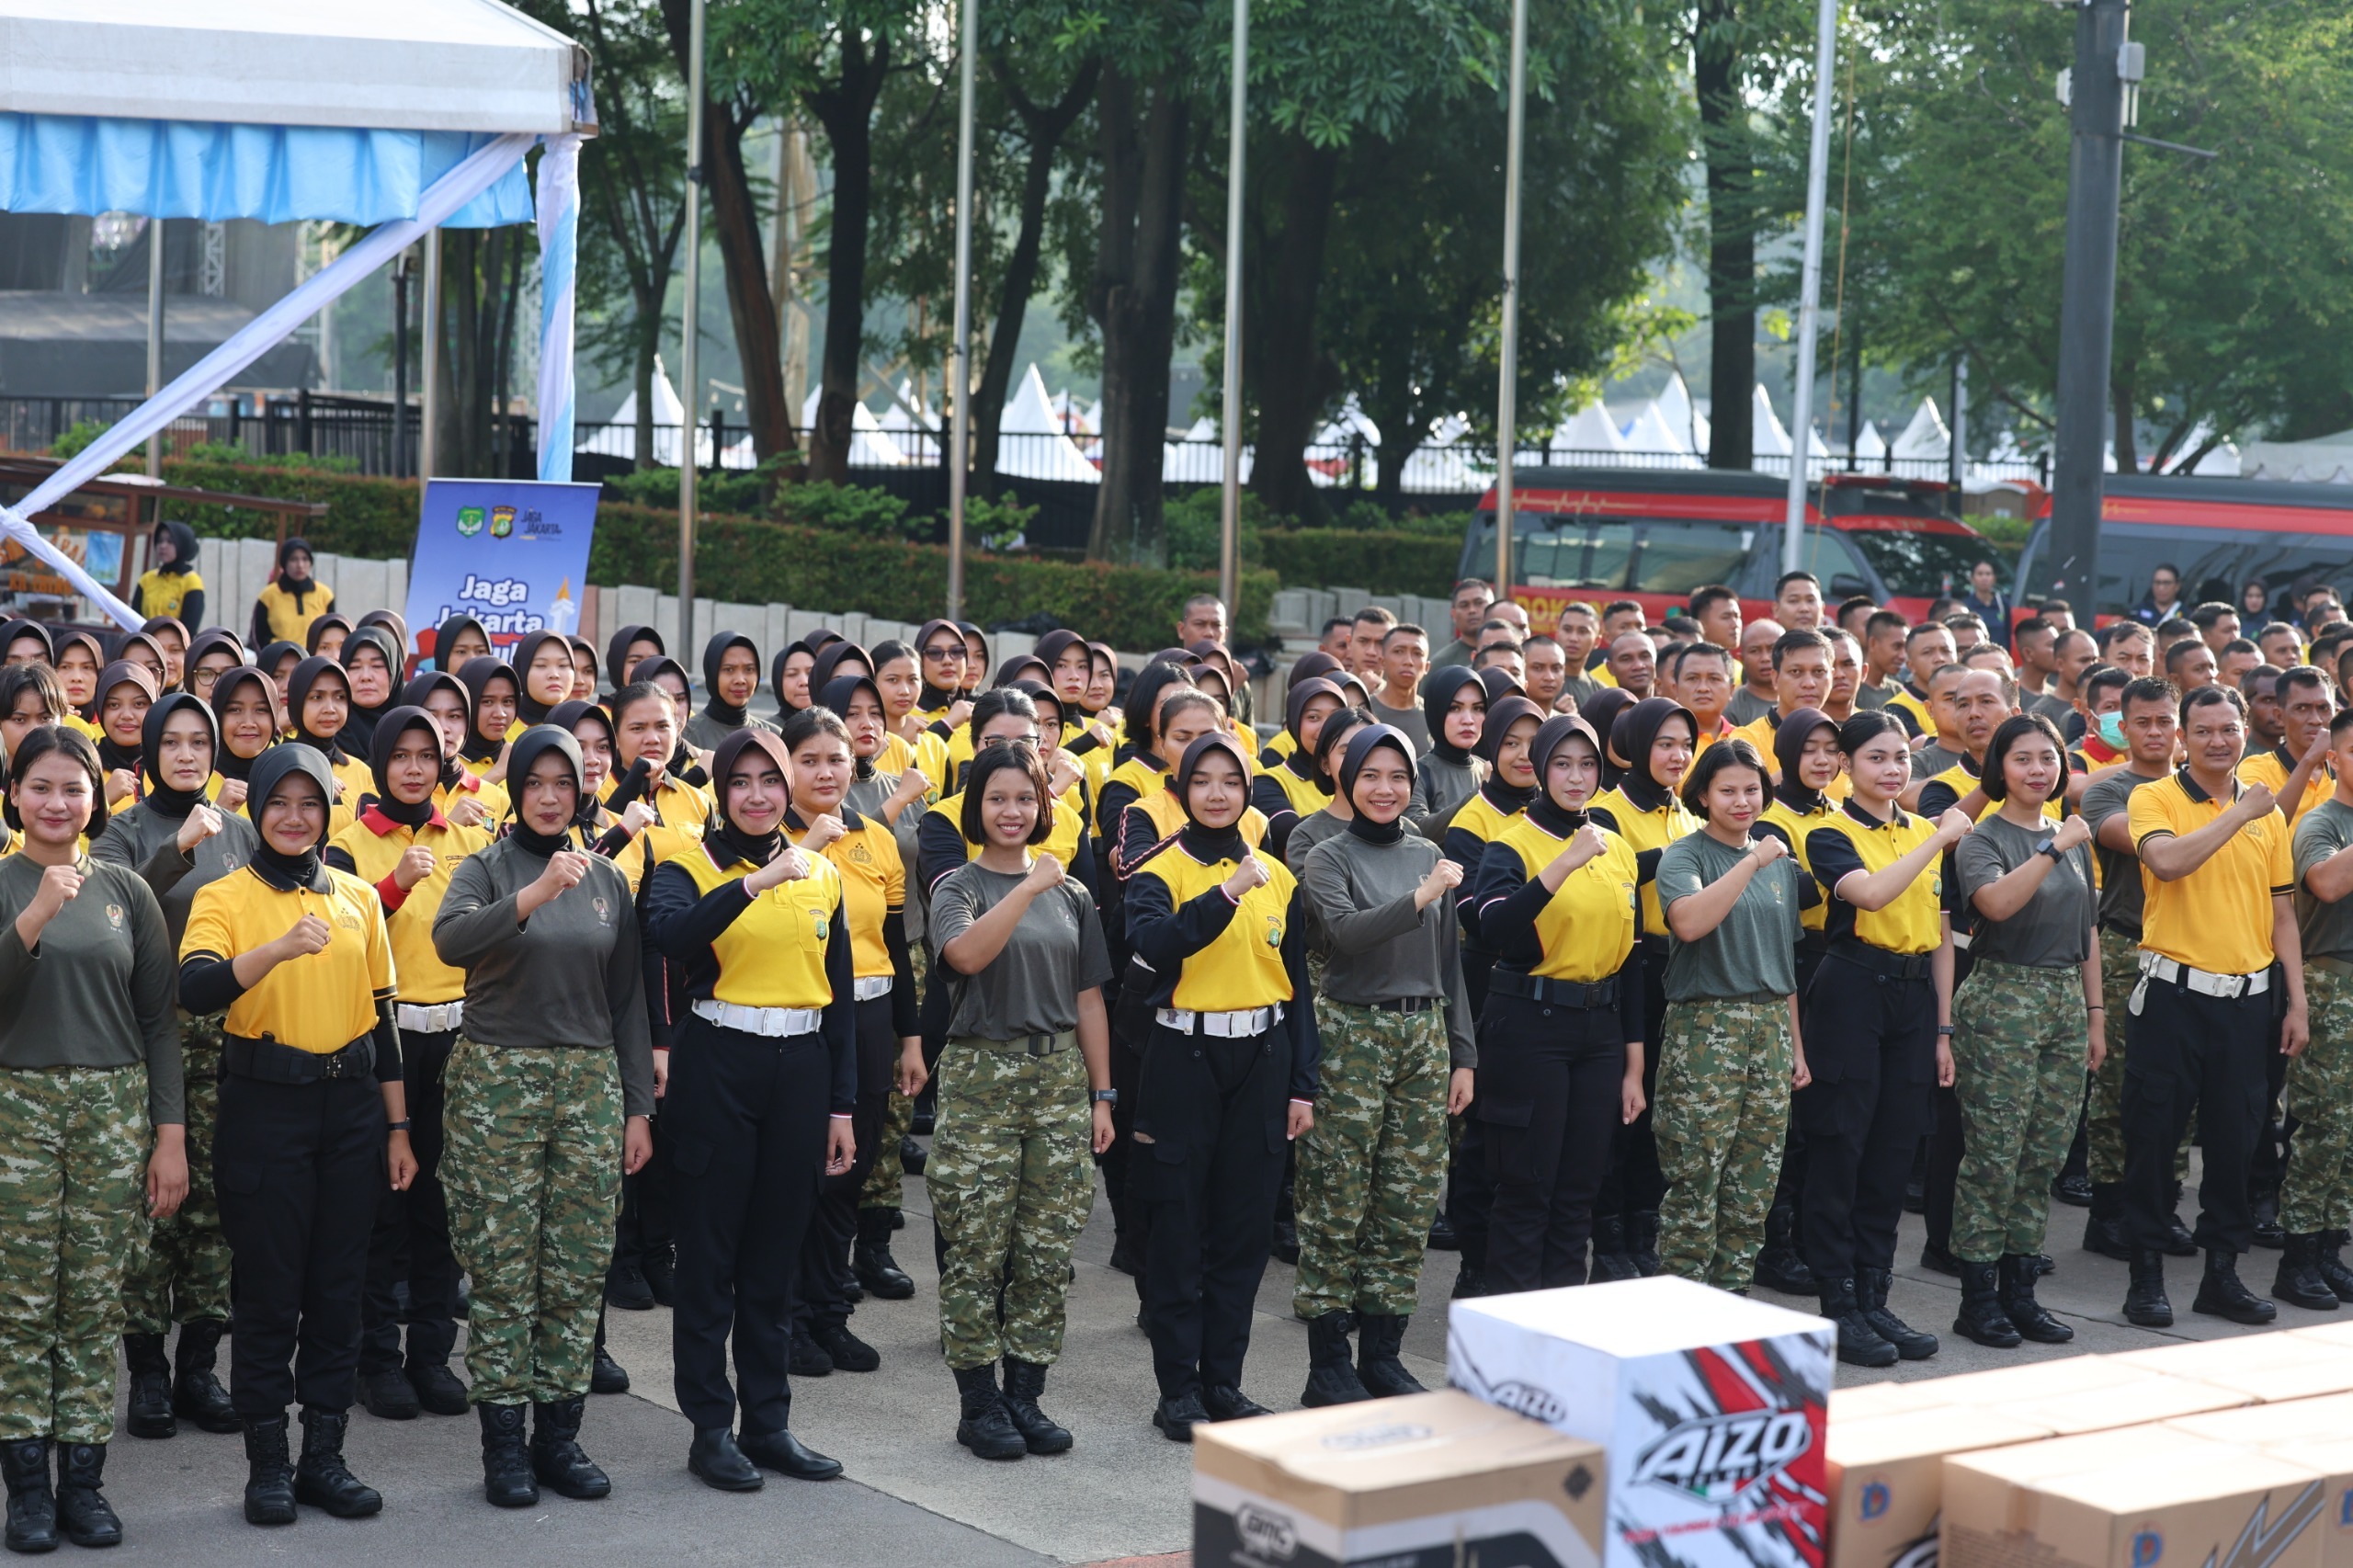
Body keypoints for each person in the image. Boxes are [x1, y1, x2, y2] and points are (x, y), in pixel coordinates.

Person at [177, 744, 416, 1526]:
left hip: (350, 1111)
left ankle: (325, 1458)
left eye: (309, 803)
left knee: (338, 1288)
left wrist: (398, 1126)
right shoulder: (225, 895)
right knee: (271, 1290)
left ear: (328, 811)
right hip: (264, 1107)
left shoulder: (358, 897)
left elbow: (383, 1019)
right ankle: (268, 1463)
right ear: (256, 809)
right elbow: (196, 990)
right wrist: (274, 950)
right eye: (278, 802)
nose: (293, 817)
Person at [430, 725, 655, 1506]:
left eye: (566, 782)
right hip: (499, 1083)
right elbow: (449, 942)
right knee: (501, 1269)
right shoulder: (486, 867)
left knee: (575, 1265)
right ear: (517, 788)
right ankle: (503, 1447)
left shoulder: (606, 879)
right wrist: (531, 895)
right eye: (537, 783)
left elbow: (627, 1001)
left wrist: (637, 1108)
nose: (553, 796)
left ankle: (558, 1438)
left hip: (589, 1083)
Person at [644, 730, 854, 1491]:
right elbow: (669, 935)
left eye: (772, 779)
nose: (760, 794)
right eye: (743, 782)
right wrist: (755, 883)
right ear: (721, 790)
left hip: (800, 1068)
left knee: (775, 1257)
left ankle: (769, 1425)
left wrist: (841, 1106)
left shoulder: (822, 873)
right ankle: (709, 1428)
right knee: (709, 1257)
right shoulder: (687, 864)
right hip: (718, 1061)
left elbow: (838, 999)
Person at [0, 726, 186, 1552]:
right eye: (40, 787)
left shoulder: (126, 892)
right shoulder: (5, 883)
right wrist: (35, 914)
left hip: (115, 1114)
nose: (56, 803)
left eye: (72, 789)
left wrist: (168, 1136)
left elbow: (159, 1023)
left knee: (93, 1304)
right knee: (21, 1308)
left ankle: (83, 1482)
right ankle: (27, 1493)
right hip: (19, 1112)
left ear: (95, 799)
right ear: (14, 795)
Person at [924, 742, 1114, 1459]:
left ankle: (1025, 1396)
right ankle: (979, 1404)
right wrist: (1026, 889)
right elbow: (965, 957)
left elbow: (1089, 998)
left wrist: (1103, 1095)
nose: (1013, 811)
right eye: (999, 798)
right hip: (981, 1080)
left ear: (1044, 807)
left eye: (1026, 799)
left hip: (1060, 1079)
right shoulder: (961, 886)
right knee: (976, 1245)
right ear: (977, 806)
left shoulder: (1073, 895)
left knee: (1044, 1248)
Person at [1125, 733, 1317, 1442]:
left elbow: (1297, 990)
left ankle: (1223, 1383)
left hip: (1262, 1058)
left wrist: (1303, 1083)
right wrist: (1224, 894)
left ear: (1246, 792)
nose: (1216, 794)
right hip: (1184, 1056)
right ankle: (1177, 1389)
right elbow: (1152, 946)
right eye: (1200, 781)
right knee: (1179, 1228)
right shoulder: (1159, 870)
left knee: (1243, 1232)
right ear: (1180, 792)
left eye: (1229, 782)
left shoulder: (1278, 876)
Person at [93, 693, 256, 1445]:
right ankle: (149, 1375)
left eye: (201, 742)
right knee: (152, 1203)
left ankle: (199, 1366)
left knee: (216, 1205)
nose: (188, 755)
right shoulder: (123, 832)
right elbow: (111, 919)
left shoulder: (243, 833)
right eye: (175, 742)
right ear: (150, 749)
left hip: (227, 1040)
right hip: (148, 1034)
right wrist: (179, 848)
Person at [323, 709, 493, 1426]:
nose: (416, 768)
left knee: (441, 1208)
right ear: (382, 763)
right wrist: (391, 886)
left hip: (456, 1036)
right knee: (381, 1207)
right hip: (382, 1040)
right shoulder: (347, 844)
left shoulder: (472, 837)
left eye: (428, 755)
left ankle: (430, 1356)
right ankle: (377, 1362)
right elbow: (336, 939)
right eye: (402, 756)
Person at [1293, 724, 1472, 1403]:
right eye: (1371, 774)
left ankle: (1384, 1353)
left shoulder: (1428, 851)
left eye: (1398, 777)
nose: (1385, 788)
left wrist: (1463, 1054)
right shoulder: (1326, 855)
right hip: (1352, 1033)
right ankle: (1327, 1361)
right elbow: (1345, 934)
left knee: (1407, 1200)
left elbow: (1449, 964)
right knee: (1337, 1200)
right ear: (1346, 779)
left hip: (1422, 1034)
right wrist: (1421, 897)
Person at [2120, 684, 2305, 1329]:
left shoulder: (2271, 817)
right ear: (2183, 737)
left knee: (2235, 1142)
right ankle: (2145, 1277)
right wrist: (2239, 814)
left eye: (2230, 729)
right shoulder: (2154, 797)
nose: (2219, 741)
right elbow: (2167, 863)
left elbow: (2283, 914)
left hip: (2250, 1002)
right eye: (2204, 731)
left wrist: (2297, 1003)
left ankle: (2220, 1276)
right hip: (2173, 997)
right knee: (2153, 1139)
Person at [1800, 711, 1970, 1367]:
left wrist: (1943, 1026)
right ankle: (1839, 1304)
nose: (1893, 769)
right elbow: (1869, 895)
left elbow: (1941, 933)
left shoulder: (1923, 829)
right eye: (1876, 757)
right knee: (1842, 1146)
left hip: (1913, 998)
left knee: (1895, 1150)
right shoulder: (1828, 832)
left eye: (1902, 756)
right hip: (1850, 991)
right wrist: (1936, 842)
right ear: (1847, 765)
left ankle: (1875, 1296)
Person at [1467, 715, 1642, 1290]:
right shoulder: (1511, 843)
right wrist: (1564, 862)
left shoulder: (1616, 846)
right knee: (1527, 1187)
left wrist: (1633, 1064)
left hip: (1599, 1030)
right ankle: (1508, 1345)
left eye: (1587, 764)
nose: (1576, 776)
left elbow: (1631, 956)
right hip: (1529, 1026)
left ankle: (1561, 1337)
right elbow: (1493, 929)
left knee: (1578, 1192)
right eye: (1562, 764)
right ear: (1540, 770)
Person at [1945, 713, 2100, 1347]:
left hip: (2064, 1000)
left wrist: (2095, 1017)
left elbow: (2087, 930)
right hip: (2004, 996)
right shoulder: (1985, 839)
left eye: (2048, 758)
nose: (2039, 770)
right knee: (1994, 1156)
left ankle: (2021, 1290)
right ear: (1999, 769)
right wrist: (2053, 847)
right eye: (2023, 759)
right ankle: (1977, 1297)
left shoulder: (2072, 836)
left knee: (2042, 1156)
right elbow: (1997, 905)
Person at [775, 706, 919, 1376]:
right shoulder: (770, 841)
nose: (826, 771)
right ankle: (791, 1320)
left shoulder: (877, 839)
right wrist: (809, 841)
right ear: (786, 768)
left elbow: (894, 945)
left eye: (836, 759)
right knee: (805, 1175)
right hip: (804, 1023)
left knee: (851, 1175)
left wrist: (910, 1039)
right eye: (810, 760)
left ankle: (831, 1316)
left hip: (870, 1018)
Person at [1654, 739, 1813, 1290]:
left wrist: (1795, 1045)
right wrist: (1751, 861)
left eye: (1752, 789)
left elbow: (1784, 961)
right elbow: (1691, 923)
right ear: (1702, 795)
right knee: (1696, 1173)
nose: (1742, 801)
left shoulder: (1780, 866)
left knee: (1755, 1178)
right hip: (1705, 1027)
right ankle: (1683, 1299)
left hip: (1768, 1028)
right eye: (1728, 791)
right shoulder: (1687, 855)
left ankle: (1733, 1295)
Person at [1587, 698, 1701, 1278]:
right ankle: (1607, 1245)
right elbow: (1623, 873)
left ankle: (1642, 1233)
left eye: (1685, 744)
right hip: (1629, 969)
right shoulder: (1604, 812)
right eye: (1664, 743)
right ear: (1634, 745)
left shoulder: (1689, 815)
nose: (1678, 755)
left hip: (1683, 972)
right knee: (1621, 1109)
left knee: (1663, 1109)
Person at [2279, 708, 2353, 1309]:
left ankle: (2331, 1248)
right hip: (2331, 987)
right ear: (2333, 757)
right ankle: (2298, 1257)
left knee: (2349, 1137)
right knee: (2321, 1127)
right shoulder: (2320, 822)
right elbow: (2325, 884)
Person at [1255, 678, 1347, 860]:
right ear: (1295, 722)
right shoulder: (1267, 783)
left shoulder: (1359, 777)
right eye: (1313, 717)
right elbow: (1293, 833)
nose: (1326, 727)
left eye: (1335, 717)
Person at [1409, 667, 1485, 835]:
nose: (1468, 720)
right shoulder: (1417, 773)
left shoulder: (1485, 770)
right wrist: (1480, 794)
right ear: (1436, 711)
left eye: (1478, 708)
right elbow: (1415, 832)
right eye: (1454, 708)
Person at [686, 632, 774, 750]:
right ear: (712, 673)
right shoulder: (688, 736)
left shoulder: (773, 736)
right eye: (729, 669)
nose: (740, 680)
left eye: (749, 669)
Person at [248, 539, 335, 653]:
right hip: (279, 661)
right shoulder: (268, 595)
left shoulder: (325, 594)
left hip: (314, 662)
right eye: (293, 559)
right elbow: (257, 637)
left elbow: (333, 634)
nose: (300, 565)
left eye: (305, 559)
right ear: (284, 562)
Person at [92, 660, 156, 809]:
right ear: (101, 709)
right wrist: (102, 802)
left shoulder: (169, 768)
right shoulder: (82, 769)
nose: (127, 715)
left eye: (139, 704)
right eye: (114, 705)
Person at [335, 626, 402, 758]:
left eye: (377, 666)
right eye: (355, 667)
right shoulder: (330, 729)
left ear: (393, 671)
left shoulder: (414, 725)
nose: (366, 677)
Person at [1366, 627, 1432, 750]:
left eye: (1417, 653)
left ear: (1427, 667)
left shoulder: (1435, 717)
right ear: (1382, 662)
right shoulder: (1363, 713)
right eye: (1398, 651)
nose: (1408, 661)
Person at [135, 521, 206, 631]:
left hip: (174, 646)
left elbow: (189, 628)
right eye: (160, 541)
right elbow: (134, 618)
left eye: (170, 541)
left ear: (183, 544)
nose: (163, 546)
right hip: (144, 644)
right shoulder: (147, 579)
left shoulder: (191, 582)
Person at [1432, 581, 1494, 672]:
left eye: (1479, 603)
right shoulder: (1442, 663)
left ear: (1493, 607)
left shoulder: (1512, 654)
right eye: (1464, 605)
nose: (1472, 610)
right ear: (1453, 614)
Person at [1961, 561, 2012, 651]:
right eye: (1980, 574)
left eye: (1988, 574)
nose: (1984, 578)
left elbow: (2008, 634)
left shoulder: (2003, 604)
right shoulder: (1965, 605)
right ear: (1972, 579)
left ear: (1994, 578)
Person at [2134, 562, 2185, 627]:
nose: (2161, 588)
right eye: (2157, 582)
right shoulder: (2138, 611)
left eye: (2167, 583)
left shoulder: (2186, 614)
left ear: (2177, 586)